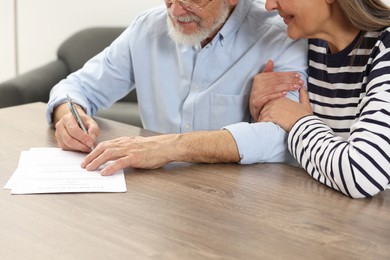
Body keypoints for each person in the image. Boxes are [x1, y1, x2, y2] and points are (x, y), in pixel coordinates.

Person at [47, 0, 307, 175]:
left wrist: (171, 147)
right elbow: (77, 87)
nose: (176, 12)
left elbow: (284, 137)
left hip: (240, 206)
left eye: (193, 0)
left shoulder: (282, 35)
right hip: (156, 194)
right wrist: (68, 115)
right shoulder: (148, 28)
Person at [251, 0, 390, 198]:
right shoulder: (308, 43)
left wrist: (298, 121)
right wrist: (264, 107)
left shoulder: (385, 49)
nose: (269, 5)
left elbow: (363, 174)